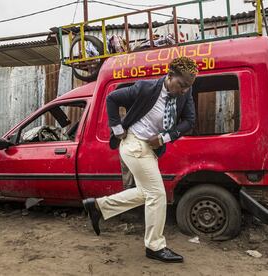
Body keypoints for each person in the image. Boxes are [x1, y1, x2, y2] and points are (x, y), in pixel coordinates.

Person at [83, 57, 198, 263]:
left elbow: (189, 121)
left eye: (188, 87)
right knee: (157, 194)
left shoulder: (185, 92)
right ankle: (155, 246)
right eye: (181, 85)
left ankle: (99, 206)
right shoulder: (145, 88)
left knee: (147, 193)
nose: (184, 90)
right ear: (169, 76)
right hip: (134, 144)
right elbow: (112, 99)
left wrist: (164, 137)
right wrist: (117, 129)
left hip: (151, 148)